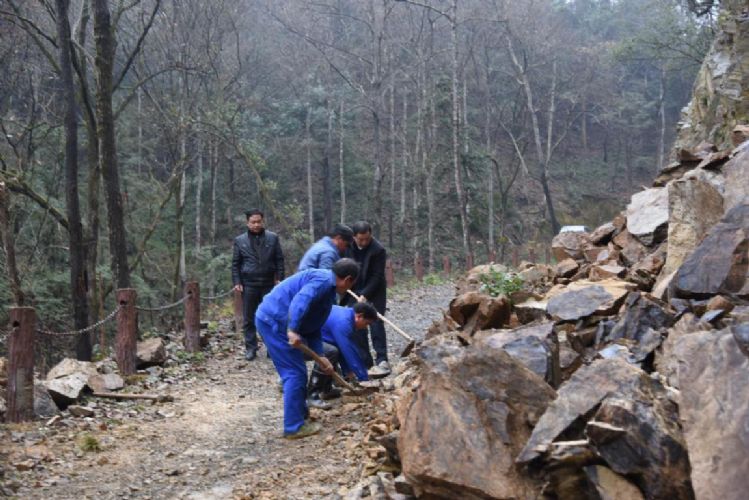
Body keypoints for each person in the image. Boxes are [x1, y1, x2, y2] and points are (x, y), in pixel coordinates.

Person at [255, 258, 359, 439]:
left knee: (297, 371)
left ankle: (301, 416)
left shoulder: (329, 291)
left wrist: (321, 356)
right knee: (294, 373)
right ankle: (293, 427)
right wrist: (293, 330)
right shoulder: (323, 282)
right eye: (352, 284)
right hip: (274, 320)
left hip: (278, 320)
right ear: (348, 279)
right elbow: (299, 302)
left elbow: (313, 325)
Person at [231, 209, 285, 361]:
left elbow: (279, 259)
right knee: (249, 318)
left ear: (263, 221)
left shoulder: (272, 238)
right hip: (249, 283)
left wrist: (280, 278)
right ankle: (250, 348)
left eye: (258, 222)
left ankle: (272, 347)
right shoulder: (240, 240)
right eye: (253, 222)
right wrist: (237, 282)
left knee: (271, 316)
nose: (256, 225)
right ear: (247, 222)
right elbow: (236, 264)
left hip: (269, 282)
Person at [307, 303, 378, 409]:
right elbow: (348, 351)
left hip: (317, 335)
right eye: (366, 323)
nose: (365, 327)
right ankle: (312, 395)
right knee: (330, 351)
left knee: (334, 350)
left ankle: (327, 389)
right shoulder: (343, 322)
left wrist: (348, 371)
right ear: (359, 316)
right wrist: (363, 378)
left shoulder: (348, 315)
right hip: (303, 338)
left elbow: (342, 347)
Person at [344, 221, 390, 377]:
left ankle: (382, 360)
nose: (364, 242)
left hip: (374, 290)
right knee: (357, 324)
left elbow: (377, 276)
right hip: (353, 289)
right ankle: (365, 362)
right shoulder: (348, 246)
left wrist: (365, 294)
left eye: (367, 238)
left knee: (376, 322)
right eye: (360, 239)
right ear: (354, 237)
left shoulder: (378, 250)